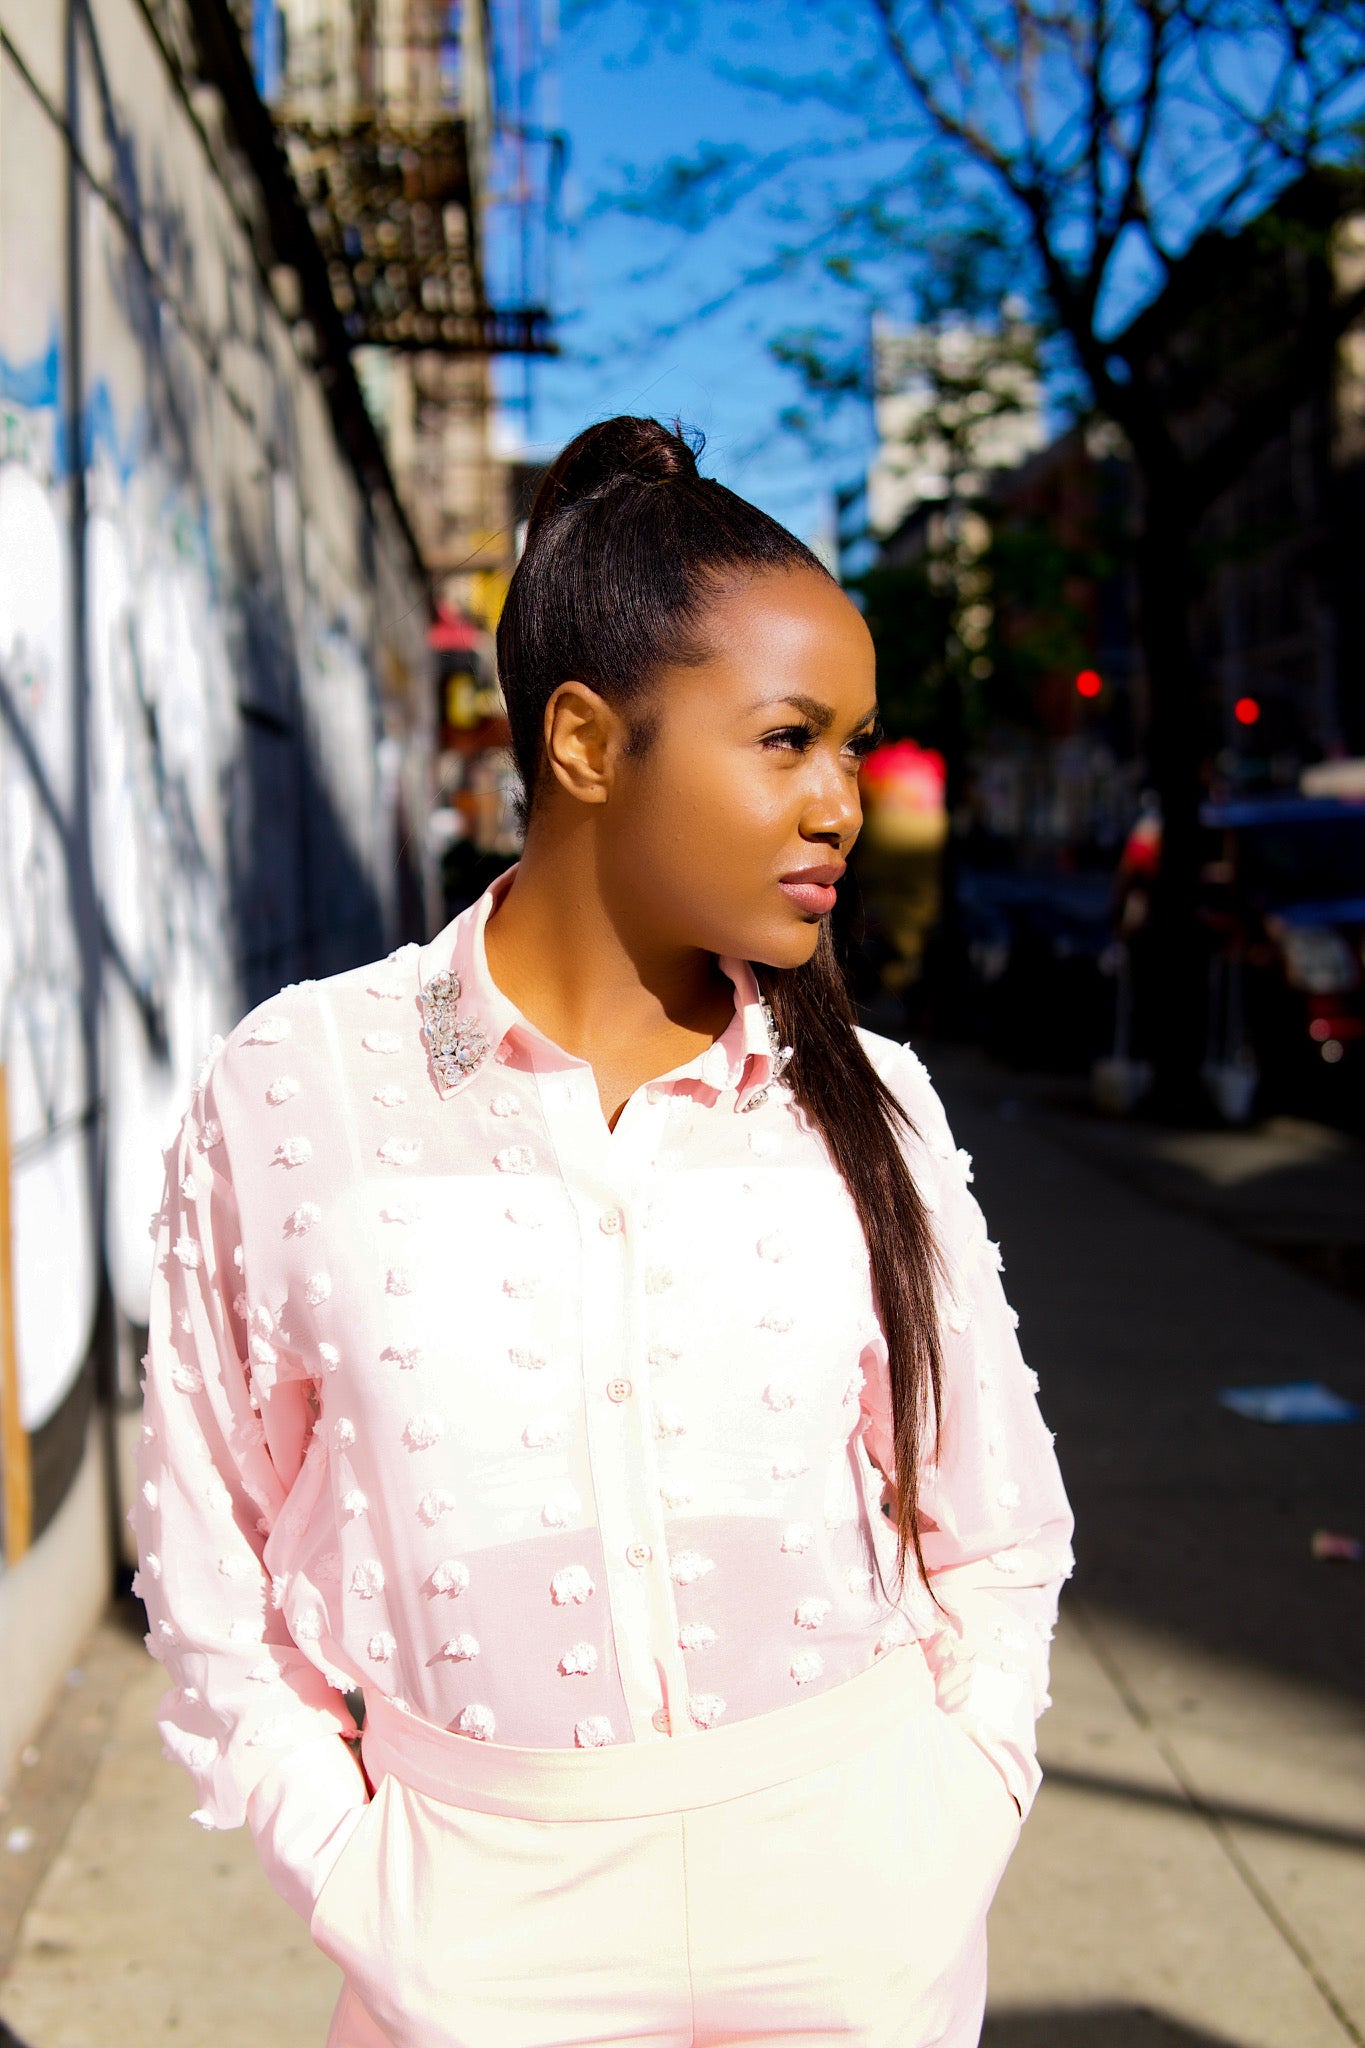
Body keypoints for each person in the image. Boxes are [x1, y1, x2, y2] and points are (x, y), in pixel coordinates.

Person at [134, 417, 1074, 2048]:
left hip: (859, 1914)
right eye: (786, 740)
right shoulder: (302, 1086)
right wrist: (361, 1879)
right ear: (582, 741)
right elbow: (211, 1555)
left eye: (851, 748)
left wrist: (955, 1810)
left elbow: (993, 1525)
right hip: (473, 1941)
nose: (840, 803)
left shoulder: (869, 1102)